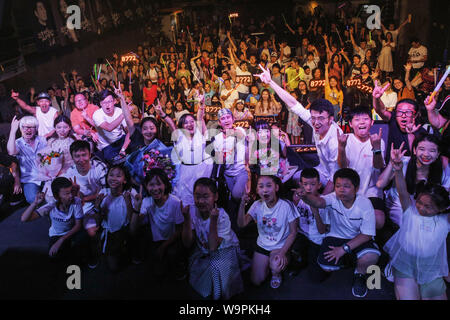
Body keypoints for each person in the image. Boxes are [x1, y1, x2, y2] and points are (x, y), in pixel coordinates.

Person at [256, 64, 342, 194]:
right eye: (313, 118)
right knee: (294, 177)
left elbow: (335, 177)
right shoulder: (315, 121)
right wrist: (271, 83)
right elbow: (293, 103)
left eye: (321, 119)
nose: (316, 123)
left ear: (331, 119)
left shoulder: (335, 141)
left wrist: (319, 202)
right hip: (321, 170)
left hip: (335, 179)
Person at [298, 168, 381, 298]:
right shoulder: (332, 198)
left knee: (372, 256)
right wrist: (304, 196)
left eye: (346, 186)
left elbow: (367, 235)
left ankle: (359, 275)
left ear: (356, 188)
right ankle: (350, 260)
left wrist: (343, 249)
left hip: (357, 238)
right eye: (338, 186)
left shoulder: (365, 204)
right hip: (335, 237)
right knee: (325, 266)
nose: (341, 189)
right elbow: (319, 202)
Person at [384, 146, 449, 300]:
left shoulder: (445, 220)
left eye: (428, 207)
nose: (421, 208)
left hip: (431, 268)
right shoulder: (410, 212)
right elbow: (402, 192)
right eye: (419, 202)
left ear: (441, 209)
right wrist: (398, 171)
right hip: (405, 264)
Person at [182, 178, 243, 300]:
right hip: (205, 249)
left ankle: (218, 292)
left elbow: (213, 247)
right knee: (198, 269)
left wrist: (213, 220)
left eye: (206, 196)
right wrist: (186, 219)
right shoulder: (193, 211)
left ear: (215, 197)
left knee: (216, 269)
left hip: (224, 250)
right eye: (197, 196)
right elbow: (187, 243)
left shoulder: (222, 216)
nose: (200, 201)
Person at [238, 175, 299, 289]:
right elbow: (242, 224)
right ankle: (269, 265)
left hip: (280, 246)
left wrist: (282, 253)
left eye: (269, 186)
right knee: (256, 281)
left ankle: (277, 273)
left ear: (276, 188)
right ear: (257, 190)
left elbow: (293, 232)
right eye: (261, 186)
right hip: (262, 246)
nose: (265, 190)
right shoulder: (257, 205)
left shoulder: (286, 205)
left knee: (276, 265)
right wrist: (242, 204)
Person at [377, 134, 449, 228]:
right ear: (414, 150)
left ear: (438, 154)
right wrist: (392, 162)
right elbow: (380, 184)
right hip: (399, 204)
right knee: (409, 225)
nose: (426, 154)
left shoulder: (442, 170)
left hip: (424, 206)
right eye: (422, 149)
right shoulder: (403, 162)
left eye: (432, 151)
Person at [130, 169, 185, 278]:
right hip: (156, 241)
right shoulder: (147, 201)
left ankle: (179, 266)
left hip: (172, 240)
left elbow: (179, 230)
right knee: (157, 272)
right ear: (146, 186)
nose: (155, 189)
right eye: (151, 185)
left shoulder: (175, 202)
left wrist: (163, 247)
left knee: (172, 256)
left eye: (159, 184)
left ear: (165, 184)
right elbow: (133, 229)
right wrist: (137, 207)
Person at [337, 106, 386, 230]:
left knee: (378, 220)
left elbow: (378, 166)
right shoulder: (346, 139)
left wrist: (376, 147)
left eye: (365, 119)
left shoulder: (377, 140)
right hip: (350, 190)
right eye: (357, 119)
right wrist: (341, 148)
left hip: (372, 191)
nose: (362, 122)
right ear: (351, 124)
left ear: (372, 122)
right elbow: (343, 167)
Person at [64, 140, 107, 268]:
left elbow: (105, 191)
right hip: (80, 204)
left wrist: (86, 198)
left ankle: (96, 249)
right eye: (77, 156)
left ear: (90, 154)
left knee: (91, 232)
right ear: (72, 157)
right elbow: (72, 197)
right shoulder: (70, 173)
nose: (81, 159)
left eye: (84, 155)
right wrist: (76, 195)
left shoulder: (100, 167)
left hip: (99, 202)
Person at [21, 177, 83, 260]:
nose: (71, 195)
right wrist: (35, 203)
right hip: (57, 234)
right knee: (53, 256)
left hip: (72, 232)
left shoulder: (76, 202)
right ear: (57, 197)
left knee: (83, 241)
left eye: (71, 191)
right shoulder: (51, 206)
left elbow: (78, 225)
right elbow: (24, 219)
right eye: (67, 193)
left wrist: (62, 240)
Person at [95, 164, 138, 272]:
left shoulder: (130, 193)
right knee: (113, 268)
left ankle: (129, 249)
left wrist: (128, 202)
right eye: (111, 175)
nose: (114, 178)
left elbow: (131, 220)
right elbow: (98, 222)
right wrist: (97, 207)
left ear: (124, 180)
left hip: (125, 230)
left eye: (118, 176)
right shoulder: (103, 193)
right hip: (109, 231)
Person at [290, 168, 330, 278]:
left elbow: (322, 231)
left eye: (312, 184)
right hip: (302, 234)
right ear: (300, 185)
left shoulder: (324, 202)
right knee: (293, 251)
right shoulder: (298, 199)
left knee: (317, 277)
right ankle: (301, 260)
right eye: (305, 184)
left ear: (319, 185)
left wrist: (315, 211)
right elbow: (296, 219)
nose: (308, 188)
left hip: (317, 239)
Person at [372, 82, 426, 162]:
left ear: (416, 114)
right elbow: (381, 110)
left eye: (408, 112)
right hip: (391, 167)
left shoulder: (421, 132)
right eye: (400, 112)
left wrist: (412, 135)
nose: (403, 116)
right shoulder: (394, 119)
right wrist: (376, 98)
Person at [7, 116, 47, 204]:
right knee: (32, 199)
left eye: (31, 127)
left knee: (54, 196)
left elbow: (49, 158)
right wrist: (13, 130)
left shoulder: (42, 140)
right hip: (30, 179)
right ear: (20, 129)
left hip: (46, 177)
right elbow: (11, 152)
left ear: (36, 129)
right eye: (24, 127)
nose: (27, 130)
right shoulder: (18, 143)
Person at [92, 90, 130, 164]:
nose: (107, 105)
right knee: (117, 163)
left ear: (114, 101)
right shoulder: (97, 114)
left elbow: (129, 132)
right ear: (100, 104)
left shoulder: (119, 111)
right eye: (104, 102)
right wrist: (124, 113)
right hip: (107, 146)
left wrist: (123, 149)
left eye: (109, 101)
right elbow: (109, 128)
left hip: (121, 140)